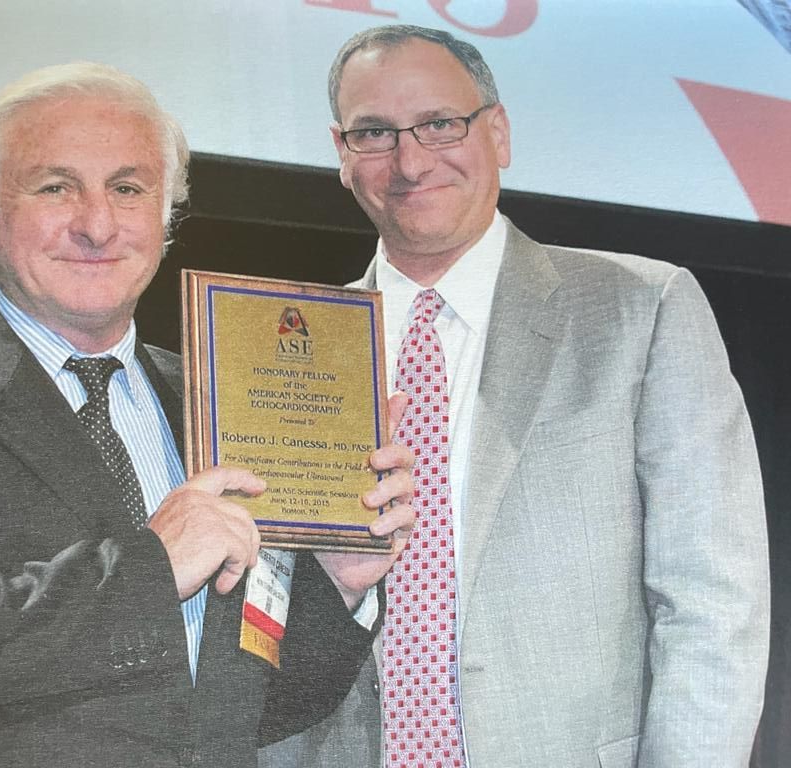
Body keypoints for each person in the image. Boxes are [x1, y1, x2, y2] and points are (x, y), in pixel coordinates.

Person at [0, 62, 415, 768]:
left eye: (129, 188)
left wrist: (339, 582)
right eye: (56, 187)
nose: (98, 224)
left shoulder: (216, 402)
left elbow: (255, 708)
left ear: (166, 215)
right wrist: (151, 569)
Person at [260, 24, 770, 768]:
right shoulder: (287, 350)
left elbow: (713, 606)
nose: (410, 160)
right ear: (342, 155)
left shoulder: (641, 309)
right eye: (375, 133)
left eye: (440, 123)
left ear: (497, 132)